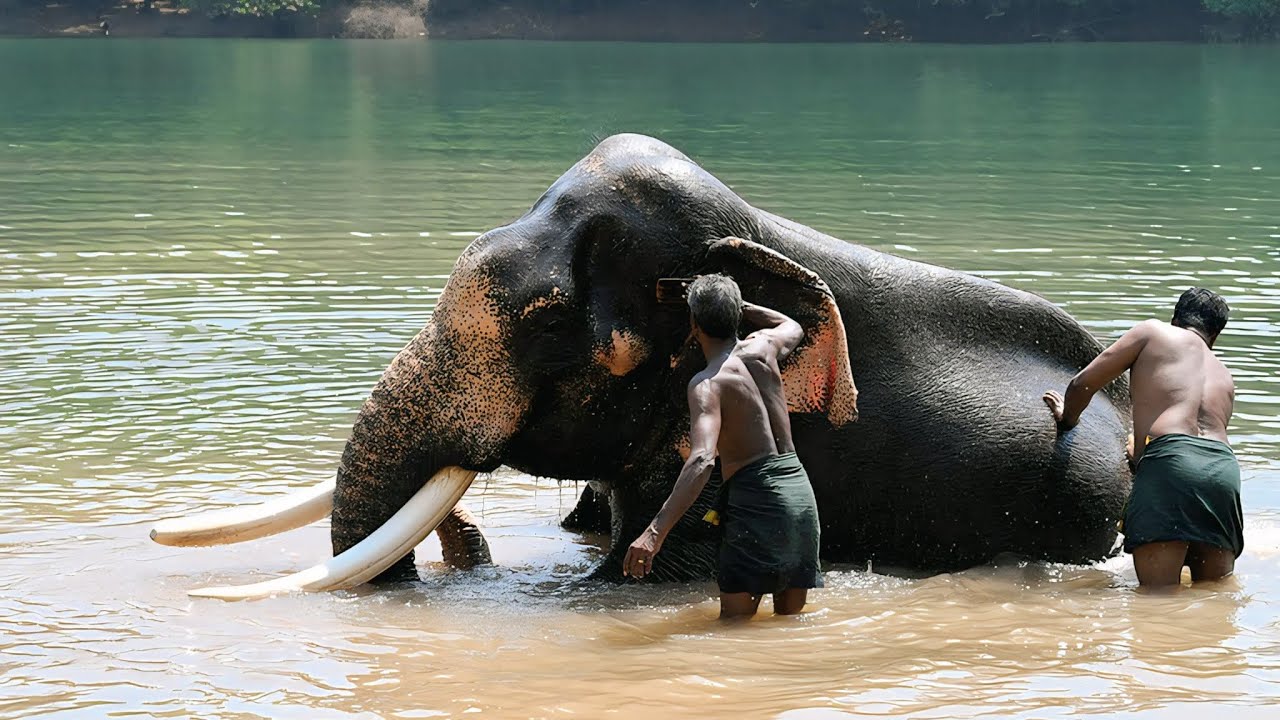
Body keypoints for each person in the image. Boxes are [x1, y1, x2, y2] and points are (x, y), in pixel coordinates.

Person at [623, 274, 823, 619]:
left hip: (756, 502)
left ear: (693, 325)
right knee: (789, 625)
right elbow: (791, 325)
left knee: (734, 629)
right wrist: (738, 306)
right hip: (800, 498)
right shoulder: (765, 349)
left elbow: (702, 460)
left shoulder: (707, 385)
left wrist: (654, 533)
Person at [1043, 288, 1242, 589]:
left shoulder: (1152, 333)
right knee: (1213, 595)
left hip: (1170, 463)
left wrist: (1066, 417)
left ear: (1175, 319)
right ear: (1214, 336)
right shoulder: (1225, 376)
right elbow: (1195, 442)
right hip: (1224, 475)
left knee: (1157, 600)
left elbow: (1083, 383)